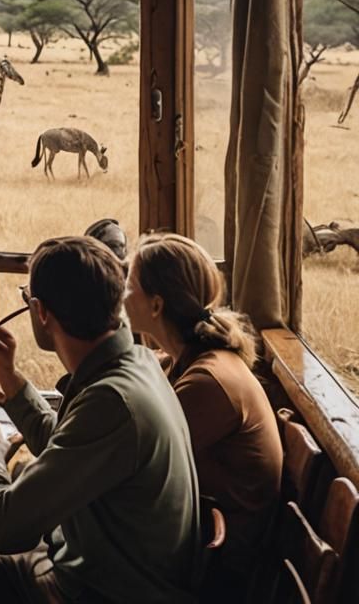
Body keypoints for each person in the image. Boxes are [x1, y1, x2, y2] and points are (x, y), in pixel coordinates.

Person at [0, 236, 201, 604]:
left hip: (102, 592)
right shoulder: (138, 363)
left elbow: (2, 528)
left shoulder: (112, 402)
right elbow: (66, 444)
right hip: (104, 572)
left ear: (41, 312)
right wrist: (9, 376)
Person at [123, 232, 282, 594]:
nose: (121, 294)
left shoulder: (208, 382)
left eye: (128, 284)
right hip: (200, 541)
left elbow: (130, 464)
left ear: (157, 305)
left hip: (215, 570)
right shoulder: (185, 361)